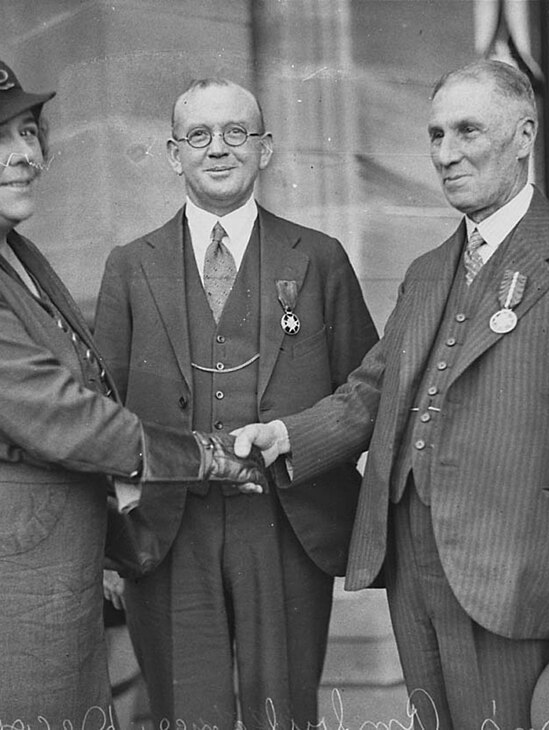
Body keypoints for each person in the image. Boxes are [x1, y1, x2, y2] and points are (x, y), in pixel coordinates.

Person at [234, 59, 549, 728]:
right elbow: (372, 393)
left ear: (523, 136)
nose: (446, 154)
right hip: (411, 565)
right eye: (436, 136)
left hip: (519, 568)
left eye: (468, 131)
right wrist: (289, 436)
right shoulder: (428, 269)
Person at [0, 46, 265, 729]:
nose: (25, 154)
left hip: (35, 582)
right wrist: (208, 456)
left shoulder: (4, 249)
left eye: (26, 130)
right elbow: (57, 417)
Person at [93, 78, 377, 729]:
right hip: (167, 529)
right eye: (199, 135)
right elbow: (96, 408)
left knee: (282, 711)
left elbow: (367, 389)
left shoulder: (320, 259)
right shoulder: (131, 267)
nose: (218, 149)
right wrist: (111, 533)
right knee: (185, 712)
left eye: (236, 133)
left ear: (265, 148)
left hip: (286, 523)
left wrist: (298, 438)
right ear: (173, 153)